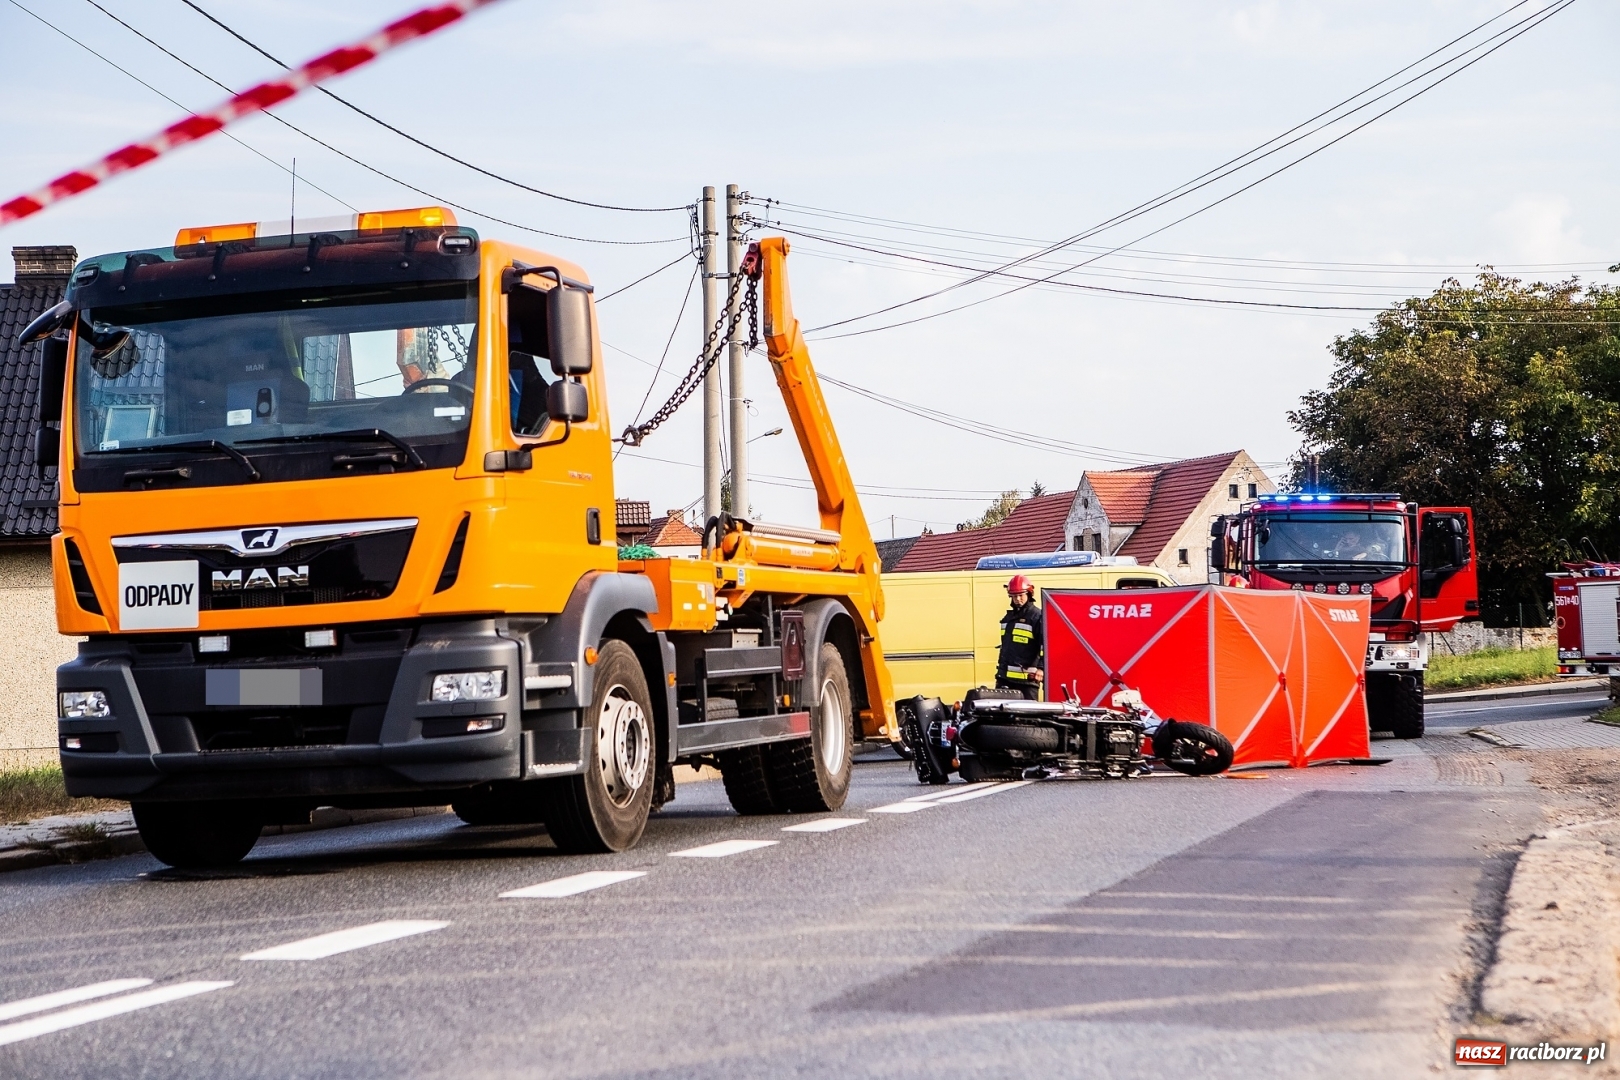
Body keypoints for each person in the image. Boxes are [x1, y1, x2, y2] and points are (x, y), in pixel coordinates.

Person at [995, 575, 1044, 700]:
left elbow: (1045, 644)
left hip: (1027, 683)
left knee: (1029, 718)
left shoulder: (1037, 617)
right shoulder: (1008, 619)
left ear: (1029, 593)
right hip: (1005, 679)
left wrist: (1041, 668)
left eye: (1021, 595)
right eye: (1014, 596)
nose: (1017, 599)